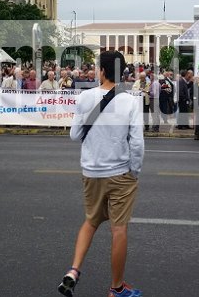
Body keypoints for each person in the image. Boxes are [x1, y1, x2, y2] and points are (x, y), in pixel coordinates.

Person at [58, 51, 144, 297]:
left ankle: (74, 270)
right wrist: (134, 171)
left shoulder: (85, 97)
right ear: (122, 73)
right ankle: (116, 288)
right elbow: (137, 144)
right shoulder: (129, 101)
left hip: (91, 171)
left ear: (102, 71)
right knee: (119, 229)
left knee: (91, 221)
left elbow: (74, 135)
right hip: (119, 172)